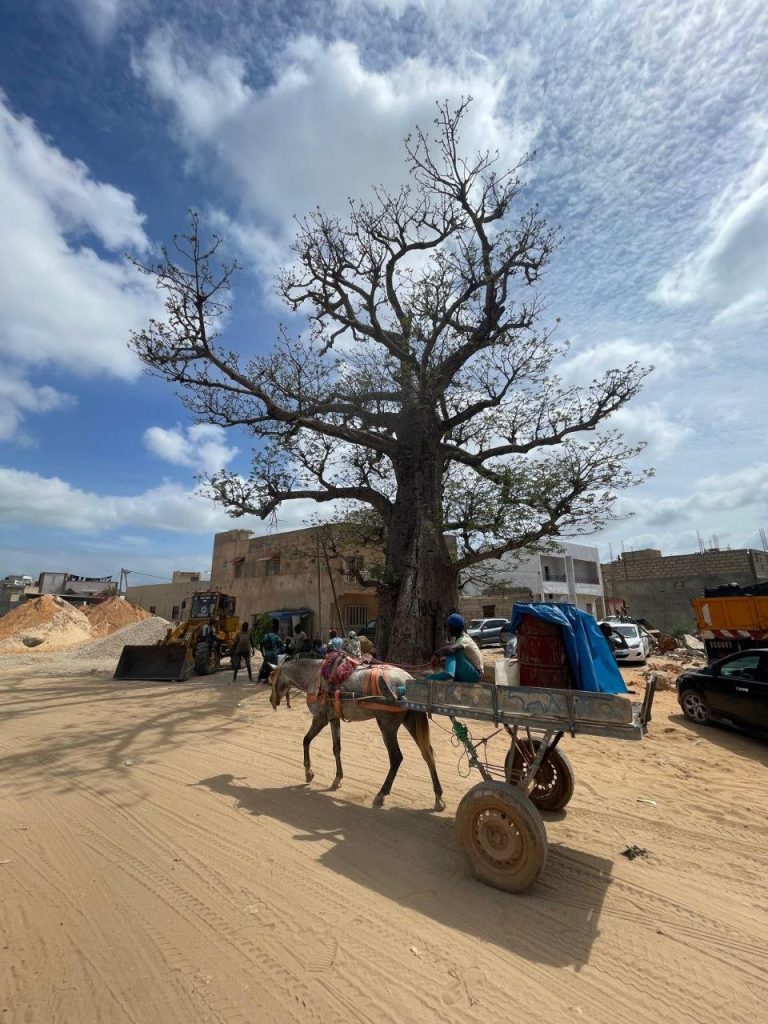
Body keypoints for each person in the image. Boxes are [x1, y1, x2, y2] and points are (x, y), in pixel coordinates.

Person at [433, 613, 483, 682]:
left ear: (453, 627)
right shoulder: (459, 639)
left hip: (475, 675)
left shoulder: (464, 639)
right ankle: (433, 677)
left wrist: (436, 654)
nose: (448, 629)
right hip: (472, 672)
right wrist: (441, 660)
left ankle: (448, 675)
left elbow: (450, 650)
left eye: (449, 627)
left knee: (451, 651)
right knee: (450, 650)